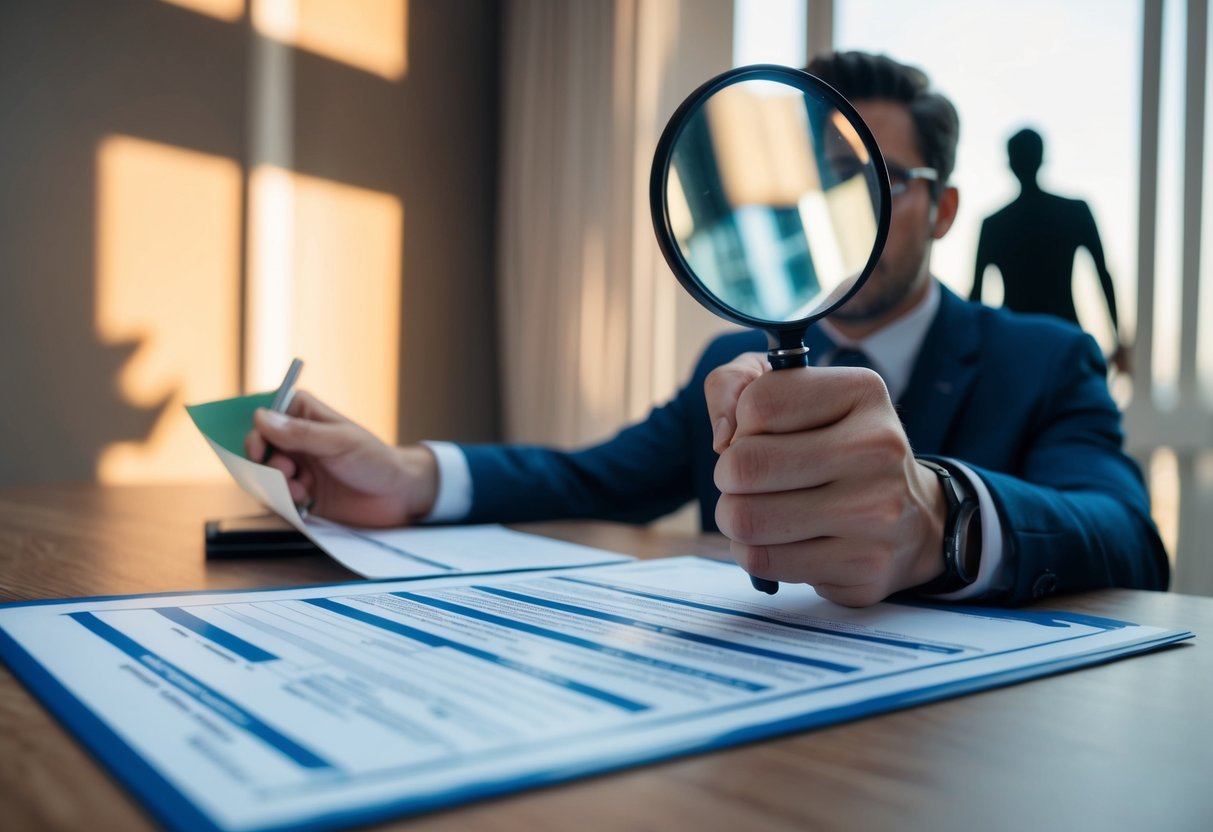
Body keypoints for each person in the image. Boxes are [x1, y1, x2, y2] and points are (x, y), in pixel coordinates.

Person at [247, 51, 1168, 607]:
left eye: (881, 180)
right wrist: (410, 476)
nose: (852, 214)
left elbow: (1128, 537)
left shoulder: (1045, 358)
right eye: (827, 184)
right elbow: (590, 477)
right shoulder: (732, 362)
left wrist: (942, 517)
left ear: (944, 208)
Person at [972, 127, 1129, 372]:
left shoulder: (994, 224)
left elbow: (976, 297)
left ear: (1010, 164)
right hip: (1066, 337)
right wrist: (1118, 340)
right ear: (1042, 158)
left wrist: (973, 355)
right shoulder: (1075, 211)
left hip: (1014, 345)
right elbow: (1103, 275)